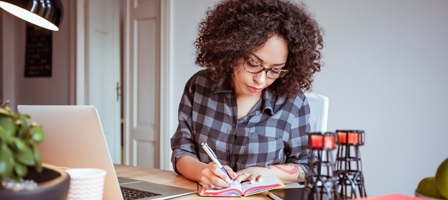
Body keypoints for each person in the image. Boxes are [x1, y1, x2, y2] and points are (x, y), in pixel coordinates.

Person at [170, 0, 323, 190]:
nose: (260, 79)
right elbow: (182, 150)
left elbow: (307, 166)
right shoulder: (199, 86)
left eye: (275, 70)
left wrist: (268, 172)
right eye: (252, 63)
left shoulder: (293, 102)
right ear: (233, 50)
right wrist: (203, 171)